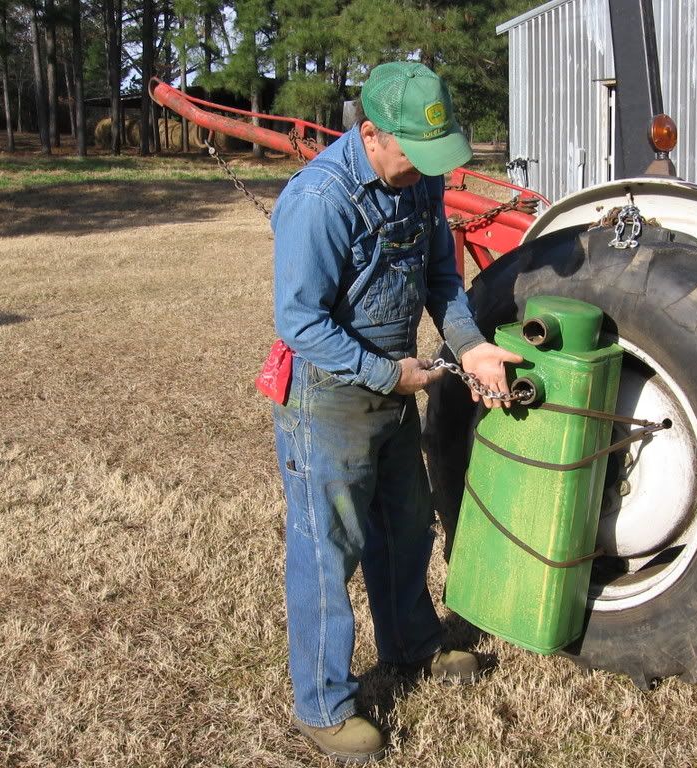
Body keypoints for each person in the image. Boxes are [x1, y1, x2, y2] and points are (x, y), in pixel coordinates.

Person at [270, 61, 522, 764]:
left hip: (392, 392)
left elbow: (442, 279)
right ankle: (322, 704)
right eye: (414, 154)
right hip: (327, 397)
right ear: (371, 131)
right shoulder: (320, 199)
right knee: (328, 551)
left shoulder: (423, 181)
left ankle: (411, 644)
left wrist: (470, 348)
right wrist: (389, 371)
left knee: (405, 525)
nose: (425, 171)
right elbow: (299, 321)